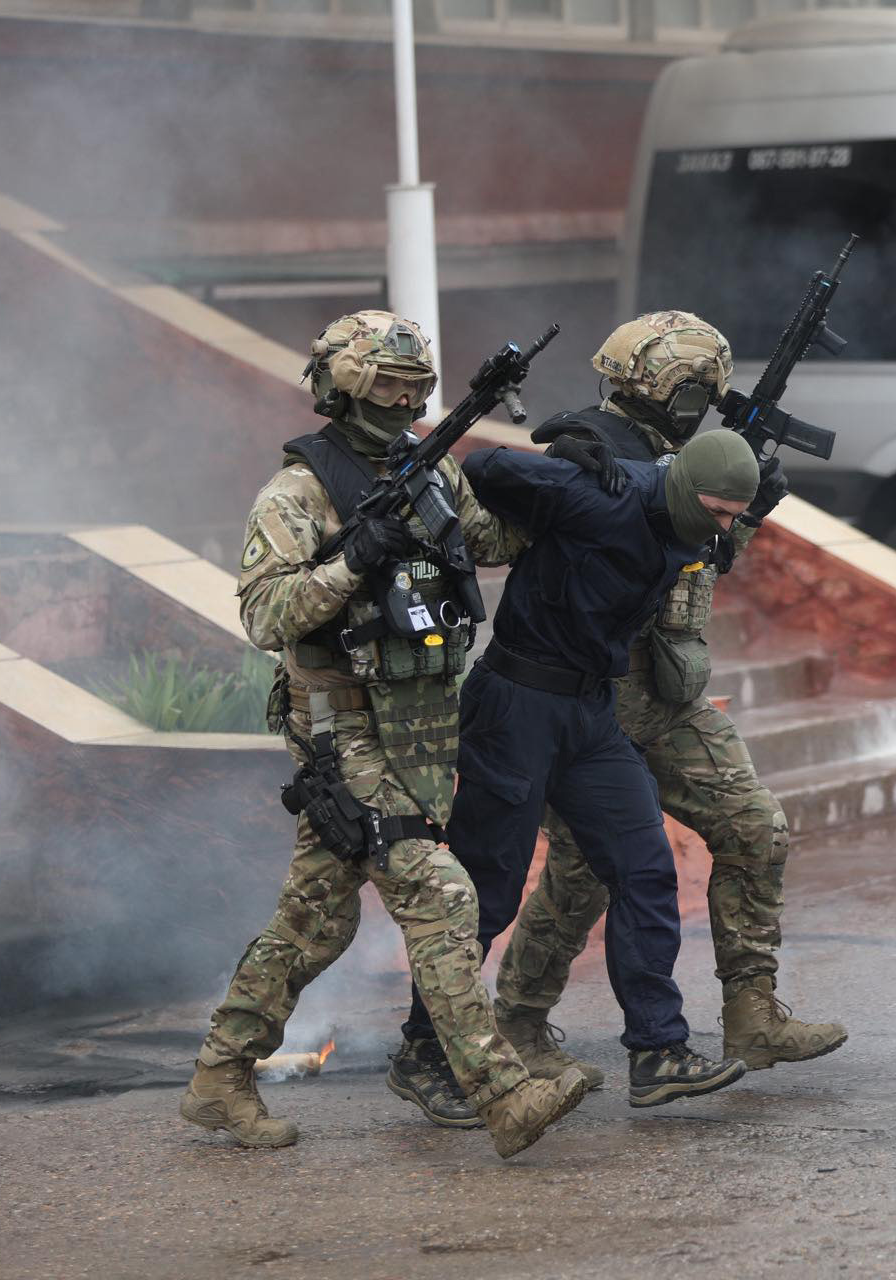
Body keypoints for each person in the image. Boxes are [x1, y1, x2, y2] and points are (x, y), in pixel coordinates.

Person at [179, 310, 587, 1160]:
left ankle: (219, 1076)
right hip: (341, 731)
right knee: (442, 894)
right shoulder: (298, 492)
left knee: (315, 923)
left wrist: (566, 484)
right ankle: (502, 1095)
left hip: (421, 727)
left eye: (414, 387)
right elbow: (265, 616)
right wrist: (352, 559)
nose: (404, 401)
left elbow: (493, 539)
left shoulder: (427, 472)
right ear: (343, 386)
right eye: (388, 385)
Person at [490, 312, 848, 1102]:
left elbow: (700, 562)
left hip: (670, 692)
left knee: (755, 826)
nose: (704, 406)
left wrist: (743, 514)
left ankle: (752, 1014)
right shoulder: (587, 451)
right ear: (664, 389)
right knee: (583, 873)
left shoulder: (690, 463)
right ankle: (516, 1022)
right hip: (591, 696)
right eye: (697, 392)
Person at [394, 427, 762, 1110]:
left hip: (591, 713)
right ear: (687, 488)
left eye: (732, 517)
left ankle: (658, 1050)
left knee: (645, 868)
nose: (721, 527)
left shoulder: (691, 525)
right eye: (717, 512)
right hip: (517, 703)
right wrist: (566, 451)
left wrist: (744, 521)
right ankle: (425, 1052)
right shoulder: (600, 492)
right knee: (490, 887)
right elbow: (484, 466)